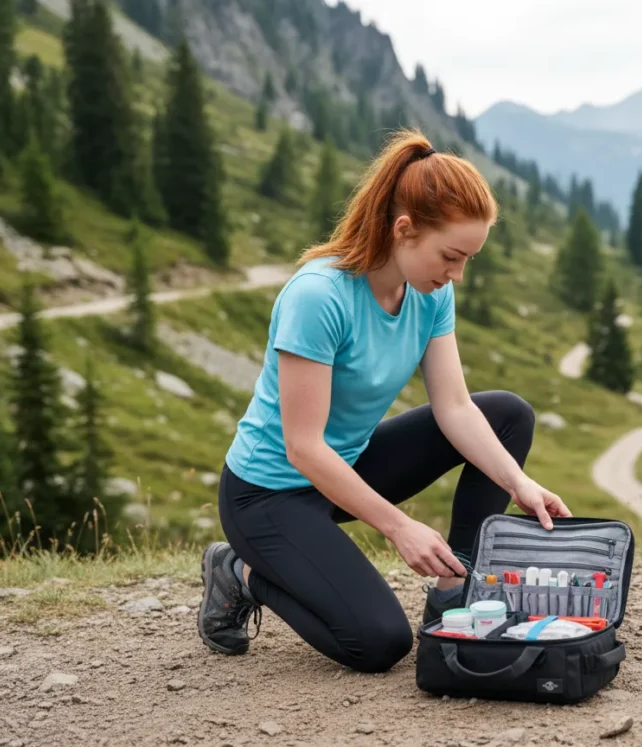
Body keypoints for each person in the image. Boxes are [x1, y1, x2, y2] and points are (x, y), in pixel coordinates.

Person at [196, 129, 572, 674]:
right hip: (269, 495)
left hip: (347, 467)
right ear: (404, 229)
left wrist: (520, 483)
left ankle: (456, 587)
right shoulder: (318, 297)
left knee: (507, 414)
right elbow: (302, 448)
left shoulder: (431, 292)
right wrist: (399, 526)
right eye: (451, 255)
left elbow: (456, 408)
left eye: (467, 259)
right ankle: (239, 571)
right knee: (378, 643)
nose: (458, 275)